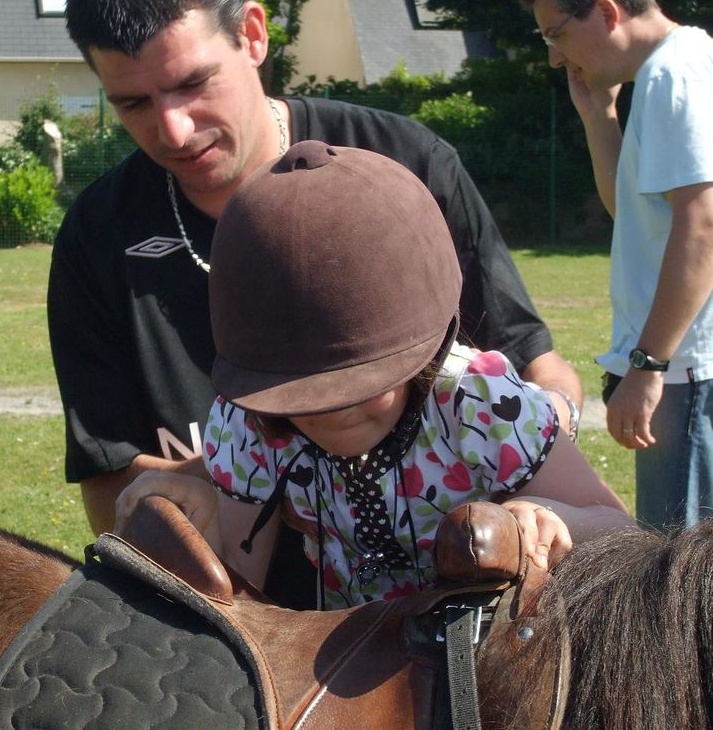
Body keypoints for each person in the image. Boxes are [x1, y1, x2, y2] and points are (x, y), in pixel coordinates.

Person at [50, 0, 584, 559]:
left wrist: (534, 473)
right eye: (133, 103)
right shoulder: (98, 237)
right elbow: (109, 479)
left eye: (194, 83)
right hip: (243, 606)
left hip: (458, 591)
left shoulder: (405, 168)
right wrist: (247, 478)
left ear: (253, 34)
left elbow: (542, 376)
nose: (173, 129)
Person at [115, 141, 632, 609]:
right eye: (298, 391)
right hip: (353, 662)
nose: (332, 409)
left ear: (429, 339)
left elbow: (625, 536)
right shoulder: (250, 423)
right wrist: (200, 538)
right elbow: (240, 597)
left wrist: (550, 518)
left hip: (495, 656)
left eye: (359, 380)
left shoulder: (481, 404)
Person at [520, 0, 713, 529]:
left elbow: (701, 224)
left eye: (555, 34)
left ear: (607, 12)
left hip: (687, 372)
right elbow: (630, 212)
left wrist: (649, 366)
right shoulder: (672, 69)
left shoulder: (673, 75)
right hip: (682, 368)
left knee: (680, 575)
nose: (555, 57)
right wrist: (599, 116)